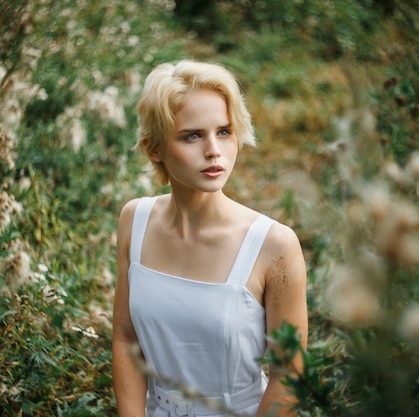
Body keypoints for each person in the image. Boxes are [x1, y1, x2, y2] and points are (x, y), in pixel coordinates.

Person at [112, 60, 308, 417]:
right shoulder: (134, 220)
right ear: (154, 148)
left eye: (224, 131)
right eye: (192, 135)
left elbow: (288, 372)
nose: (214, 150)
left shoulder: (275, 246)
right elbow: (127, 340)